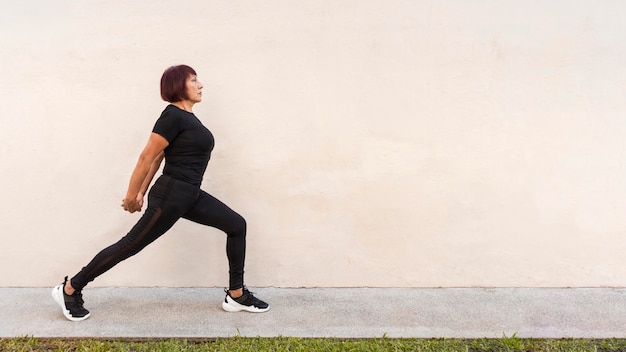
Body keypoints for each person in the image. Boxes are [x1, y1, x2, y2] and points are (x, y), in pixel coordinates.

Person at [51, 65, 270, 321]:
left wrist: (143, 191)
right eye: (194, 80)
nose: (200, 85)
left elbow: (160, 159)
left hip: (189, 194)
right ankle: (70, 288)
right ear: (179, 86)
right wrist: (132, 196)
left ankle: (236, 294)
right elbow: (147, 156)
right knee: (130, 245)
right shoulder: (172, 116)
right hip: (172, 194)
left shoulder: (188, 119)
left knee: (236, 225)